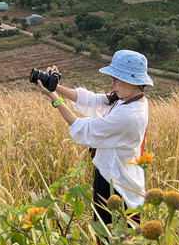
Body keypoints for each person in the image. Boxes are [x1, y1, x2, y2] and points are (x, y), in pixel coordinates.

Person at [34, 50, 152, 227]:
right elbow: (94, 101)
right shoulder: (131, 99)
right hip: (113, 174)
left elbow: (85, 130)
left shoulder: (129, 115)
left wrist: (55, 99)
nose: (113, 84)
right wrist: (55, 86)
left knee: (111, 241)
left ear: (131, 81)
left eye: (116, 80)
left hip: (117, 185)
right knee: (111, 239)